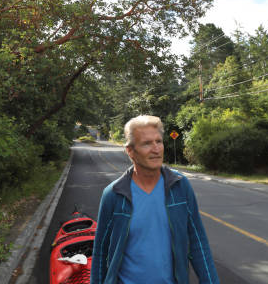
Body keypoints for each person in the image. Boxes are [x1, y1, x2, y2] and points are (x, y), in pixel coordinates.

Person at [90, 115, 220, 284]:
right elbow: (101, 251)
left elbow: (198, 243)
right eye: (146, 143)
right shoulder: (114, 194)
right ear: (130, 151)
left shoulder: (180, 187)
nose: (156, 149)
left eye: (158, 141)